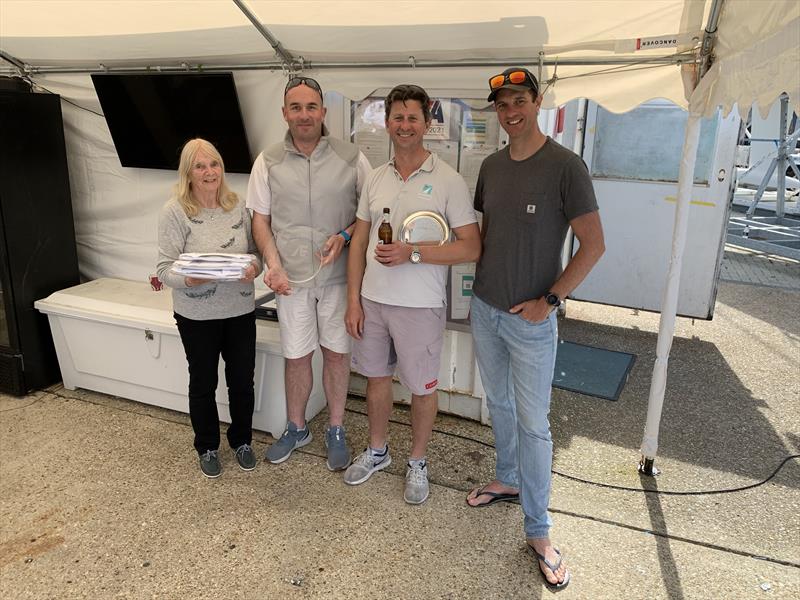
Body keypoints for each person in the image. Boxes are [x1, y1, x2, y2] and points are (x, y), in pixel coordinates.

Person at [466, 67, 605, 590]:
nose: (510, 112)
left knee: (535, 424)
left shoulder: (567, 167)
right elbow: (487, 236)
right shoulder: (492, 166)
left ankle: (539, 529)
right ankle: (507, 478)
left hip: (530, 321)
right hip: (485, 308)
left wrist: (551, 300)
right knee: (498, 405)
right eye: (502, 105)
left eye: (519, 101)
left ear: (538, 101)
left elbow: (594, 246)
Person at [344, 84, 481, 504]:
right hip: (373, 299)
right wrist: (353, 299)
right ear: (387, 123)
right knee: (377, 379)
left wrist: (413, 253)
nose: (405, 126)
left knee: (422, 387)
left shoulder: (448, 180)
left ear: (427, 123)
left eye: (413, 118)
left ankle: (417, 461)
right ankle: (378, 450)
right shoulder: (377, 178)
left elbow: (471, 246)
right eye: (398, 118)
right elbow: (359, 242)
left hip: (420, 305)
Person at [247, 76, 371, 471]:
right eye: (296, 108)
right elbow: (260, 220)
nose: (304, 115)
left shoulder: (352, 158)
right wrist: (273, 263)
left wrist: (346, 235)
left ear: (323, 112)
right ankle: (296, 426)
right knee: (296, 356)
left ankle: (335, 427)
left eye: (311, 107)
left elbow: (368, 215)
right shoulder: (267, 161)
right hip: (291, 283)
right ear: (285, 113)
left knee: (336, 355)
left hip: (337, 280)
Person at [157, 138, 262, 478]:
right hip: (197, 316)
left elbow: (257, 255)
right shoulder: (174, 211)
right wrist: (190, 280)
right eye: (200, 166)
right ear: (188, 173)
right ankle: (207, 446)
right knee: (203, 382)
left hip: (240, 311)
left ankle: (242, 441)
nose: (209, 172)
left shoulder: (238, 206)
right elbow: (164, 270)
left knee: (242, 382)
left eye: (214, 164)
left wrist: (255, 269)